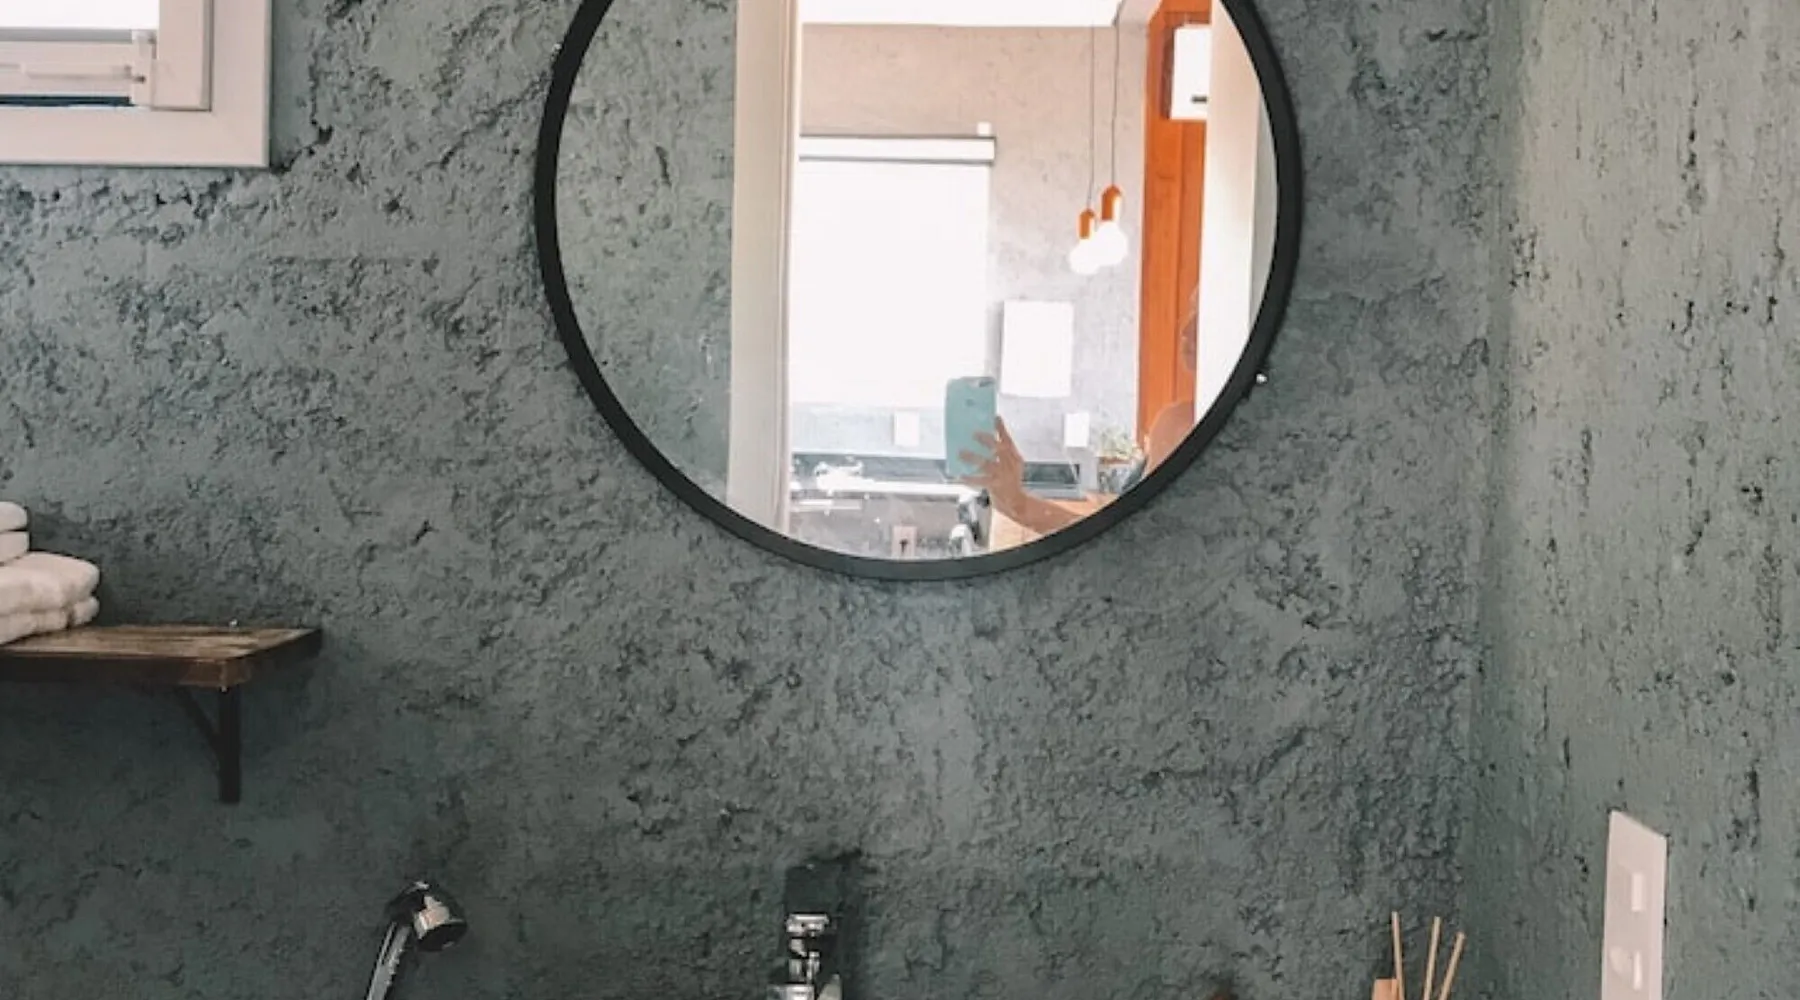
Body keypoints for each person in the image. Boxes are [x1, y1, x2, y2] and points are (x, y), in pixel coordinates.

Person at [963, 286, 1202, 537]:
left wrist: (1018, 505)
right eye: (1191, 311)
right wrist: (1017, 504)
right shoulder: (1186, 422)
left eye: (1205, 314)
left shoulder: (1180, 422)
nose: (1187, 331)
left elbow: (1131, 543)